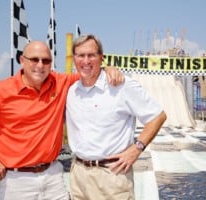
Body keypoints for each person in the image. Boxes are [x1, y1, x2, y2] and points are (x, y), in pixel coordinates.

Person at [0, 41, 124, 200]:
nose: (40, 65)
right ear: (22, 60)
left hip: (52, 176)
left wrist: (108, 69)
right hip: (14, 181)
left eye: (46, 60)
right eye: (34, 59)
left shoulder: (60, 83)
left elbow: (89, 73)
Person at [66, 34, 167, 200]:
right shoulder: (71, 91)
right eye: (80, 55)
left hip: (111, 177)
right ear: (74, 58)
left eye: (91, 55)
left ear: (101, 58)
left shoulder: (121, 86)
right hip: (79, 176)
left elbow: (157, 116)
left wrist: (136, 149)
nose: (86, 61)